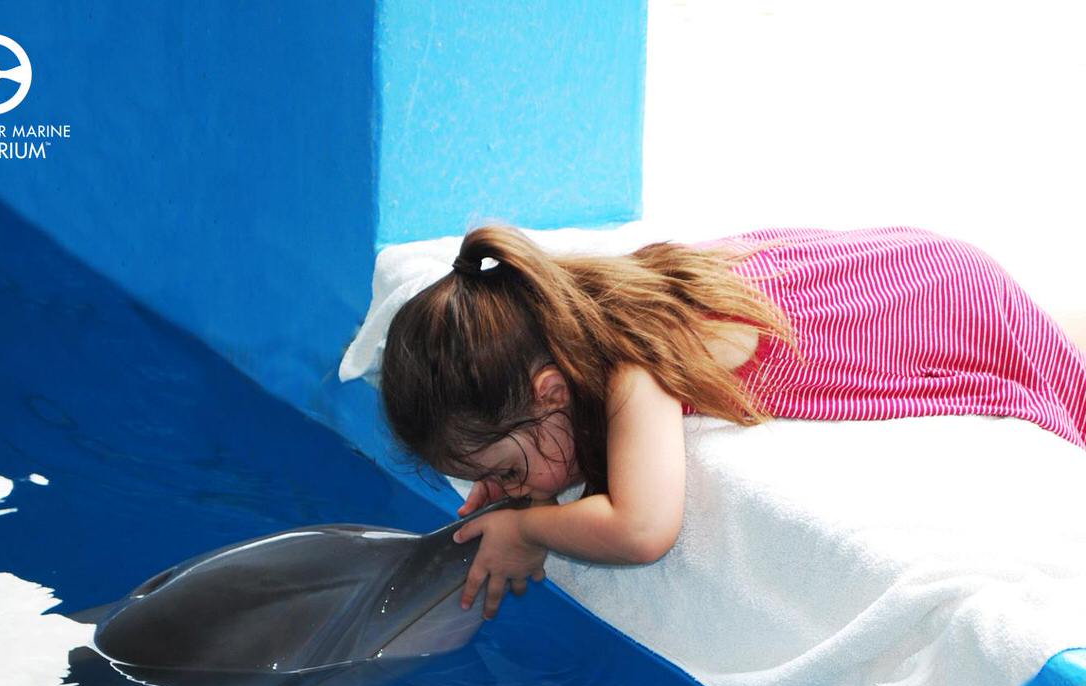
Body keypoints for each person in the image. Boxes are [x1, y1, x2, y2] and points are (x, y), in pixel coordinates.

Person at [378, 222, 1086, 621]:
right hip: (925, 267)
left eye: (505, 470)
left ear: (551, 391)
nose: (511, 488)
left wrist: (528, 527)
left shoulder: (634, 358)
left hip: (940, 310)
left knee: (1067, 388)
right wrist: (524, 488)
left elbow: (642, 527)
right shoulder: (567, 316)